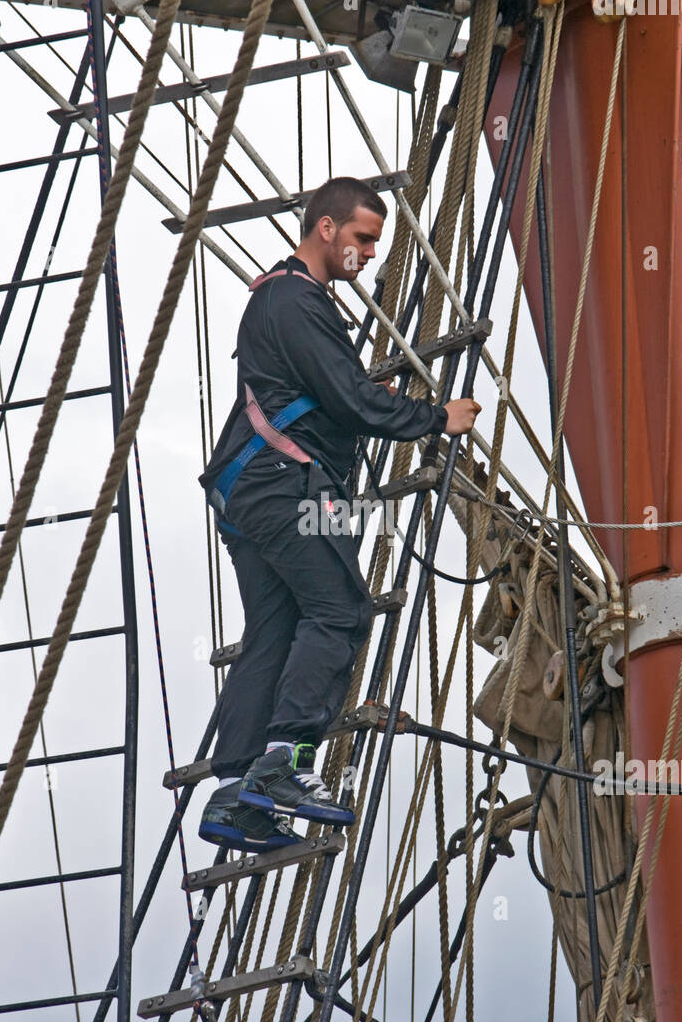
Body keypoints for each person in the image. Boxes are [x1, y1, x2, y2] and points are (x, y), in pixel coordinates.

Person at [196, 176, 481, 852]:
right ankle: (287, 763)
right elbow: (355, 404)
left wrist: (356, 396)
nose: (369, 254)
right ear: (325, 229)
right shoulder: (297, 300)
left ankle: (236, 791)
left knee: (275, 632)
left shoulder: (280, 301)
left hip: (248, 493)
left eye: (376, 243)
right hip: (285, 486)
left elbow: (326, 394)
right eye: (361, 238)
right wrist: (438, 417)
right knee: (341, 612)